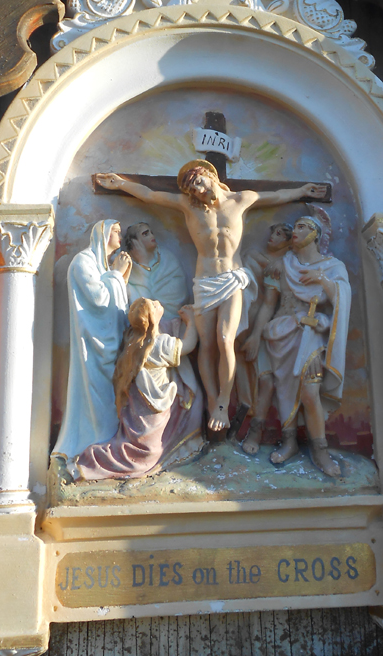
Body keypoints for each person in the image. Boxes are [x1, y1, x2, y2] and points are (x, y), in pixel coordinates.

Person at [95, 161, 326, 433]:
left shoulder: (241, 200)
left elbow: (275, 196)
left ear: (210, 176)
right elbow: (150, 194)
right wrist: (120, 183)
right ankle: (213, 401)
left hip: (231, 278)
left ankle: (223, 403)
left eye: (199, 183)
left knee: (225, 339)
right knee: (207, 346)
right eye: (192, 188)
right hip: (204, 282)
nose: (197, 190)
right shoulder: (188, 206)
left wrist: (302, 190)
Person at [242, 211, 351, 477]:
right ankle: (289, 442)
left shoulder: (332, 267)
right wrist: (256, 335)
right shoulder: (282, 264)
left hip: (309, 336)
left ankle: (320, 450)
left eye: (302, 227)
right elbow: (269, 304)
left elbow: (343, 301)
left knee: (309, 394)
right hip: (279, 333)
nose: (295, 232)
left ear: (315, 234)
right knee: (280, 389)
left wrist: (323, 281)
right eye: (296, 227)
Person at [76, 299, 203, 479]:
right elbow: (188, 344)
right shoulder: (160, 344)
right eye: (154, 305)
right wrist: (191, 321)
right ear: (152, 317)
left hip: (137, 405)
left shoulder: (131, 340)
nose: (158, 303)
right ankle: (97, 460)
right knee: (150, 449)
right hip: (154, 407)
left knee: (139, 440)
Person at [52, 219, 132, 461]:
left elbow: (116, 302)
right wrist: (117, 275)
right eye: (116, 231)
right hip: (93, 348)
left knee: (112, 394)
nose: (120, 236)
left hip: (108, 345)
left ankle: (109, 443)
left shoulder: (101, 265)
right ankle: (92, 444)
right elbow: (99, 300)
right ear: (103, 234)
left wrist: (120, 277)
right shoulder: (83, 261)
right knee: (98, 395)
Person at [237, 222, 293, 455]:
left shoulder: (287, 265)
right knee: (240, 370)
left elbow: (272, 303)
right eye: (274, 231)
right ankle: (239, 420)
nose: (274, 236)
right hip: (244, 321)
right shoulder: (252, 255)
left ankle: (257, 430)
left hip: (271, 328)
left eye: (281, 234)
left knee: (268, 380)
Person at [124, 221, 188, 321]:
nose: (151, 236)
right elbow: (139, 301)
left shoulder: (167, 257)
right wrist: (142, 262)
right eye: (145, 234)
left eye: (151, 232)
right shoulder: (128, 264)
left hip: (171, 318)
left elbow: (177, 289)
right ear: (135, 242)